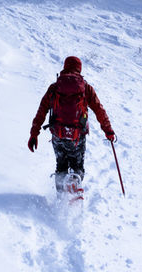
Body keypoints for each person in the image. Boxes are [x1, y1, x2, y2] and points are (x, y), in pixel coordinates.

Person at [28, 56, 115, 192]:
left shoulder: (54, 88)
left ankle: (61, 197)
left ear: (65, 67)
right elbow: (99, 110)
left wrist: (34, 134)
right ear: (79, 69)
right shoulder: (86, 88)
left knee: (61, 165)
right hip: (77, 136)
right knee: (77, 166)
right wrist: (108, 130)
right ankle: (74, 189)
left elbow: (41, 111)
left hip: (58, 135)